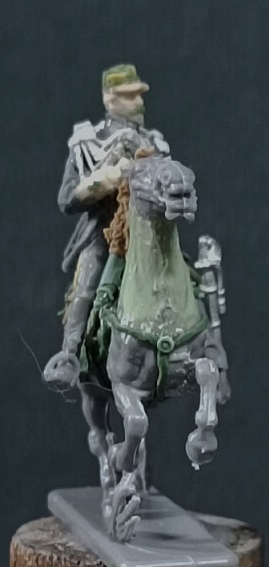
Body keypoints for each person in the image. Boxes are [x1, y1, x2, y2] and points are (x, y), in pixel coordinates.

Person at [44, 64, 170, 389]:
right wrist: (106, 179)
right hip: (105, 232)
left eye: (139, 95)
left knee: (187, 278)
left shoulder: (154, 143)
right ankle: (69, 354)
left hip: (148, 233)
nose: (138, 102)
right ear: (109, 99)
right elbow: (67, 200)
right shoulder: (88, 144)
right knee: (88, 282)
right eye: (129, 96)